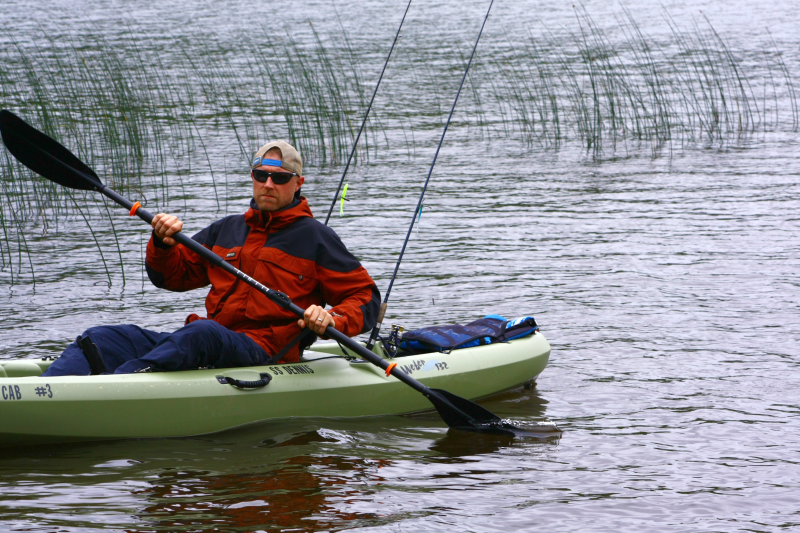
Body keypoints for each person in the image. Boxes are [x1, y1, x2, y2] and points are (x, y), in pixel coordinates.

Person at [43, 140, 380, 376]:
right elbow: (171, 277)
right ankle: (50, 392)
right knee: (102, 336)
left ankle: (116, 385)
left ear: (297, 184)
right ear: (253, 178)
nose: (267, 184)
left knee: (201, 333)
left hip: (263, 351)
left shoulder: (315, 237)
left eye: (279, 178)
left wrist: (331, 318)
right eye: (260, 175)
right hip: (210, 338)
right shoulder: (227, 230)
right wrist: (162, 243)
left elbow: (365, 299)